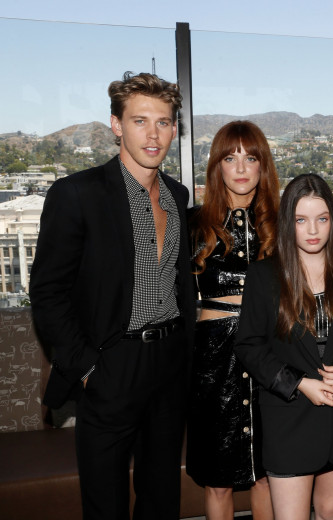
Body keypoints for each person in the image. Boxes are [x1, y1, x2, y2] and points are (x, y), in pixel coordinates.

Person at [29, 72, 196, 519]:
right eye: (140, 121)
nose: (153, 134)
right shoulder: (77, 194)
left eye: (163, 122)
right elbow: (47, 292)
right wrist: (86, 369)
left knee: (161, 499)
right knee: (105, 504)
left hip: (169, 366)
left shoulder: (178, 197)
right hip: (110, 366)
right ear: (116, 125)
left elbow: (181, 284)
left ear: (175, 128)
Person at [233, 174, 333, 520]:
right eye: (301, 220)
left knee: (331, 511)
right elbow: (249, 346)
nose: (312, 230)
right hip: (290, 418)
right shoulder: (264, 276)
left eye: (322, 218)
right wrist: (298, 383)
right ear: (289, 223)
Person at [186, 121, 279, 519]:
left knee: (266, 474)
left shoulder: (282, 224)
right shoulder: (192, 224)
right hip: (212, 362)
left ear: (263, 166)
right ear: (217, 166)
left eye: (251, 157)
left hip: (270, 353)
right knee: (218, 480)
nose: (241, 167)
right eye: (230, 157)